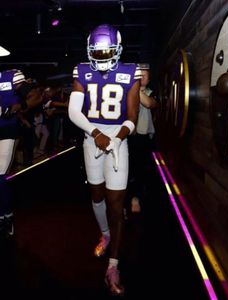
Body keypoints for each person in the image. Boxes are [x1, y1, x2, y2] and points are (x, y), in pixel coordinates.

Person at [68, 24, 141, 295]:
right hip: (92, 137)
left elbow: (132, 116)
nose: (101, 57)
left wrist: (118, 138)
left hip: (117, 140)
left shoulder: (130, 71)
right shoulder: (82, 71)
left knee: (115, 201)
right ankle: (106, 233)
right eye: (96, 52)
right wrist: (96, 132)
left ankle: (113, 265)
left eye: (107, 51)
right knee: (97, 195)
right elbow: (75, 111)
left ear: (118, 49)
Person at [0, 67, 42, 239]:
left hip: (6, 130)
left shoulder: (10, 76)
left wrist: (21, 105)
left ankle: (6, 215)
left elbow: (36, 96)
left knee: (0, 175)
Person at [127, 64, 158, 213]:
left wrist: (134, 89)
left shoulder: (151, 92)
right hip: (129, 137)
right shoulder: (128, 93)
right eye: (140, 75)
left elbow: (149, 103)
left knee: (142, 170)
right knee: (128, 169)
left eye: (145, 75)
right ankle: (129, 199)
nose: (143, 77)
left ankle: (137, 197)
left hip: (144, 137)